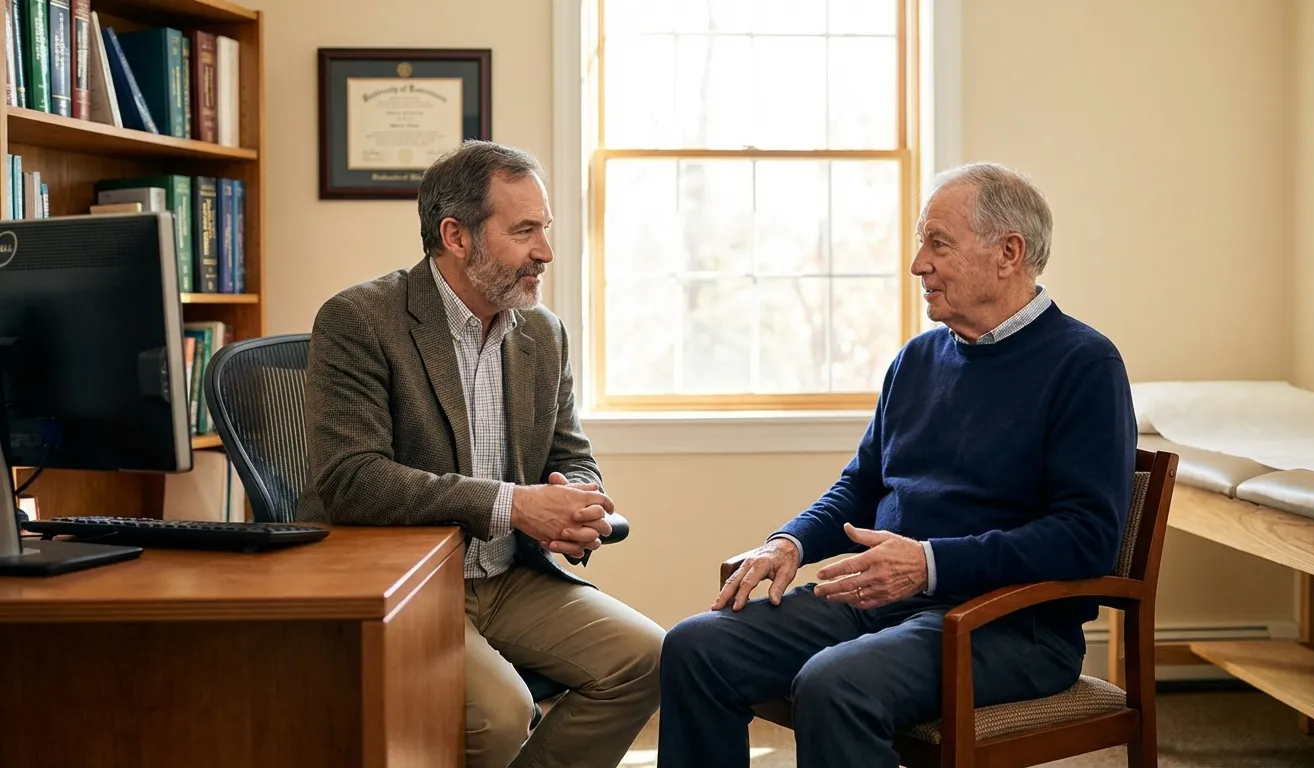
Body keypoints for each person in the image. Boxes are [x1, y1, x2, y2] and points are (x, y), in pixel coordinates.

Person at [656, 162, 1137, 768]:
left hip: (1011, 625)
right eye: (920, 243)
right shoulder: (917, 359)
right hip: (883, 599)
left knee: (835, 685)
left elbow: (1087, 537)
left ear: (1008, 253)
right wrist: (791, 542)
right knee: (696, 646)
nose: (917, 264)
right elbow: (861, 485)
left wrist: (930, 565)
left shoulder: (1084, 364)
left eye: (938, 244)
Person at [297, 140, 664, 768]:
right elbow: (350, 479)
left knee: (653, 658)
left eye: (544, 229)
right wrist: (517, 505)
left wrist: (575, 504)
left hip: (512, 578)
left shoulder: (542, 333)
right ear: (456, 236)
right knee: (500, 716)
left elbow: (571, 453)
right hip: (413, 585)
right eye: (524, 231)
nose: (545, 251)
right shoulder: (360, 320)